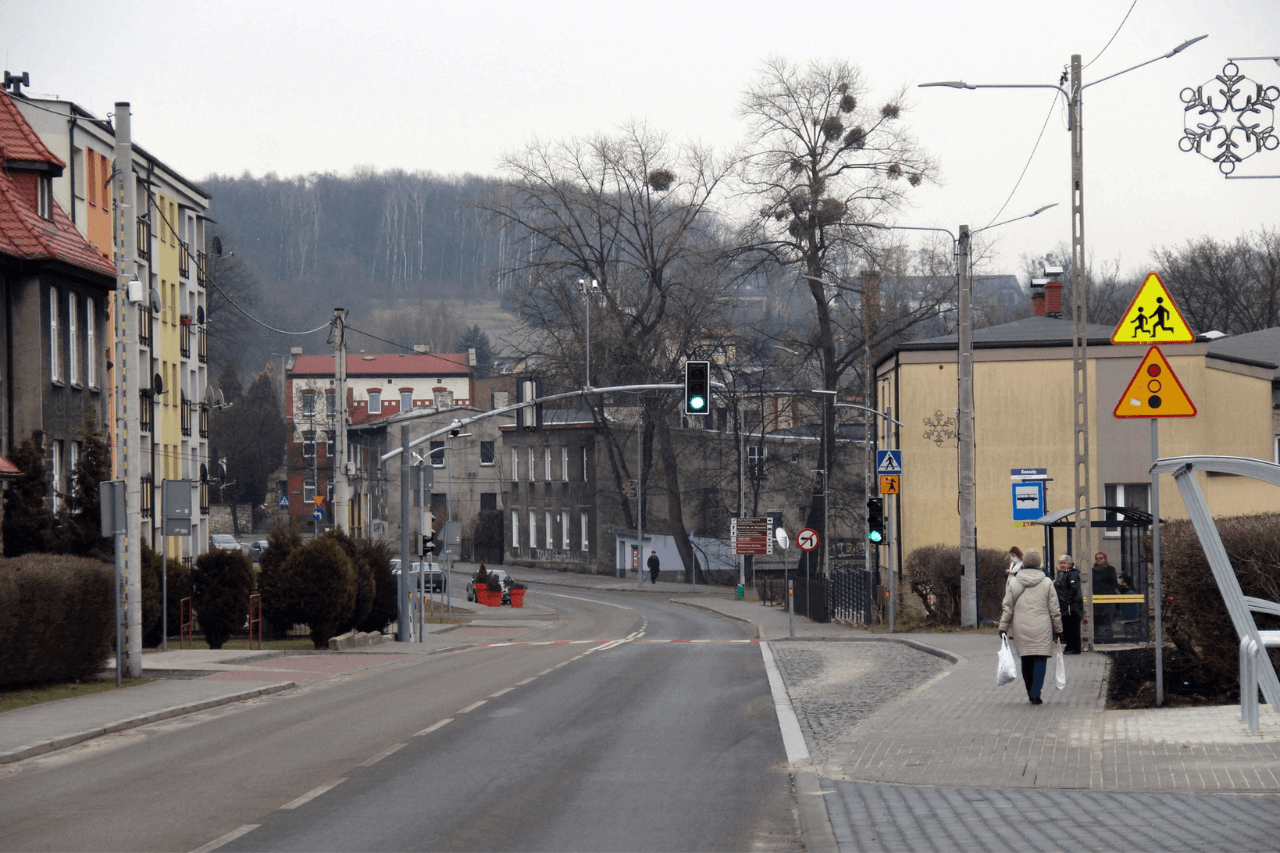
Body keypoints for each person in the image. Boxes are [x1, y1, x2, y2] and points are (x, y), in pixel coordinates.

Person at [998, 550, 1063, 705]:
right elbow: (1054, 609)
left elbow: (1008, 607)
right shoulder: (1047, 582)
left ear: (1025, 563)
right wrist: (1059, 629)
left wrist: (1003, 628)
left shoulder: (1014, 582)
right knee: (1040, 659)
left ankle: (1029, 691)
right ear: (1038, 564)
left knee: (1026, 659)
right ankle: (1036, 692)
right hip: (1042, 627)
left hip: (1021, 627)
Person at [1054, 554, 1083, 654]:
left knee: (1073, 628)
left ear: (1069, 564)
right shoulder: (1062, 574)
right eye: (1060, 563)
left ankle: (1074, 648)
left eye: (1064, 563)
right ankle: (1069, 646)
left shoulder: (1073, 574)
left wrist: (1067, 601)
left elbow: (1073, 589)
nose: (1062, 565)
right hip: (1065, 606)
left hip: (1071, 607)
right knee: (1067, 627)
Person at [1093, 551, 1119, 639]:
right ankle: (1096, 637)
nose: (1098, 560)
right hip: (1096, 599)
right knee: (1096, 618)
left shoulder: (1110, 569)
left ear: (1105, 559)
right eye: (1096, 558)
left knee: (1106, 619)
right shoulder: (1093, 570)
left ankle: (1108, 637)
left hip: (1107, 599)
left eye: (1100, 558)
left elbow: (1114, 583)